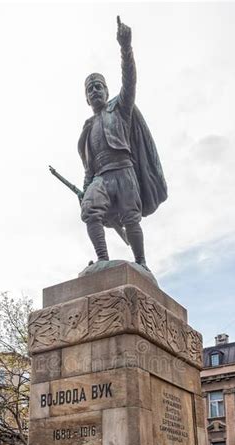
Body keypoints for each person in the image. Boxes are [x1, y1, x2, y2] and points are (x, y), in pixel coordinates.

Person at [78, 16, 167, 271]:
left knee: (131, 218)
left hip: (124, 170)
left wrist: (125, 48)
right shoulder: (87, 128)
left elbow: (130, 81)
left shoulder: (120, 109)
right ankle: (102, 260)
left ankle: (141, 264)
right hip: (101, 177)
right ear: (86, 98)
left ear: (106, 92)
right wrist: (85, 187)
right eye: (90, 89)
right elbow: (88, 165)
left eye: (99, 87)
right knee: (89, 210)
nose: (94, 91)